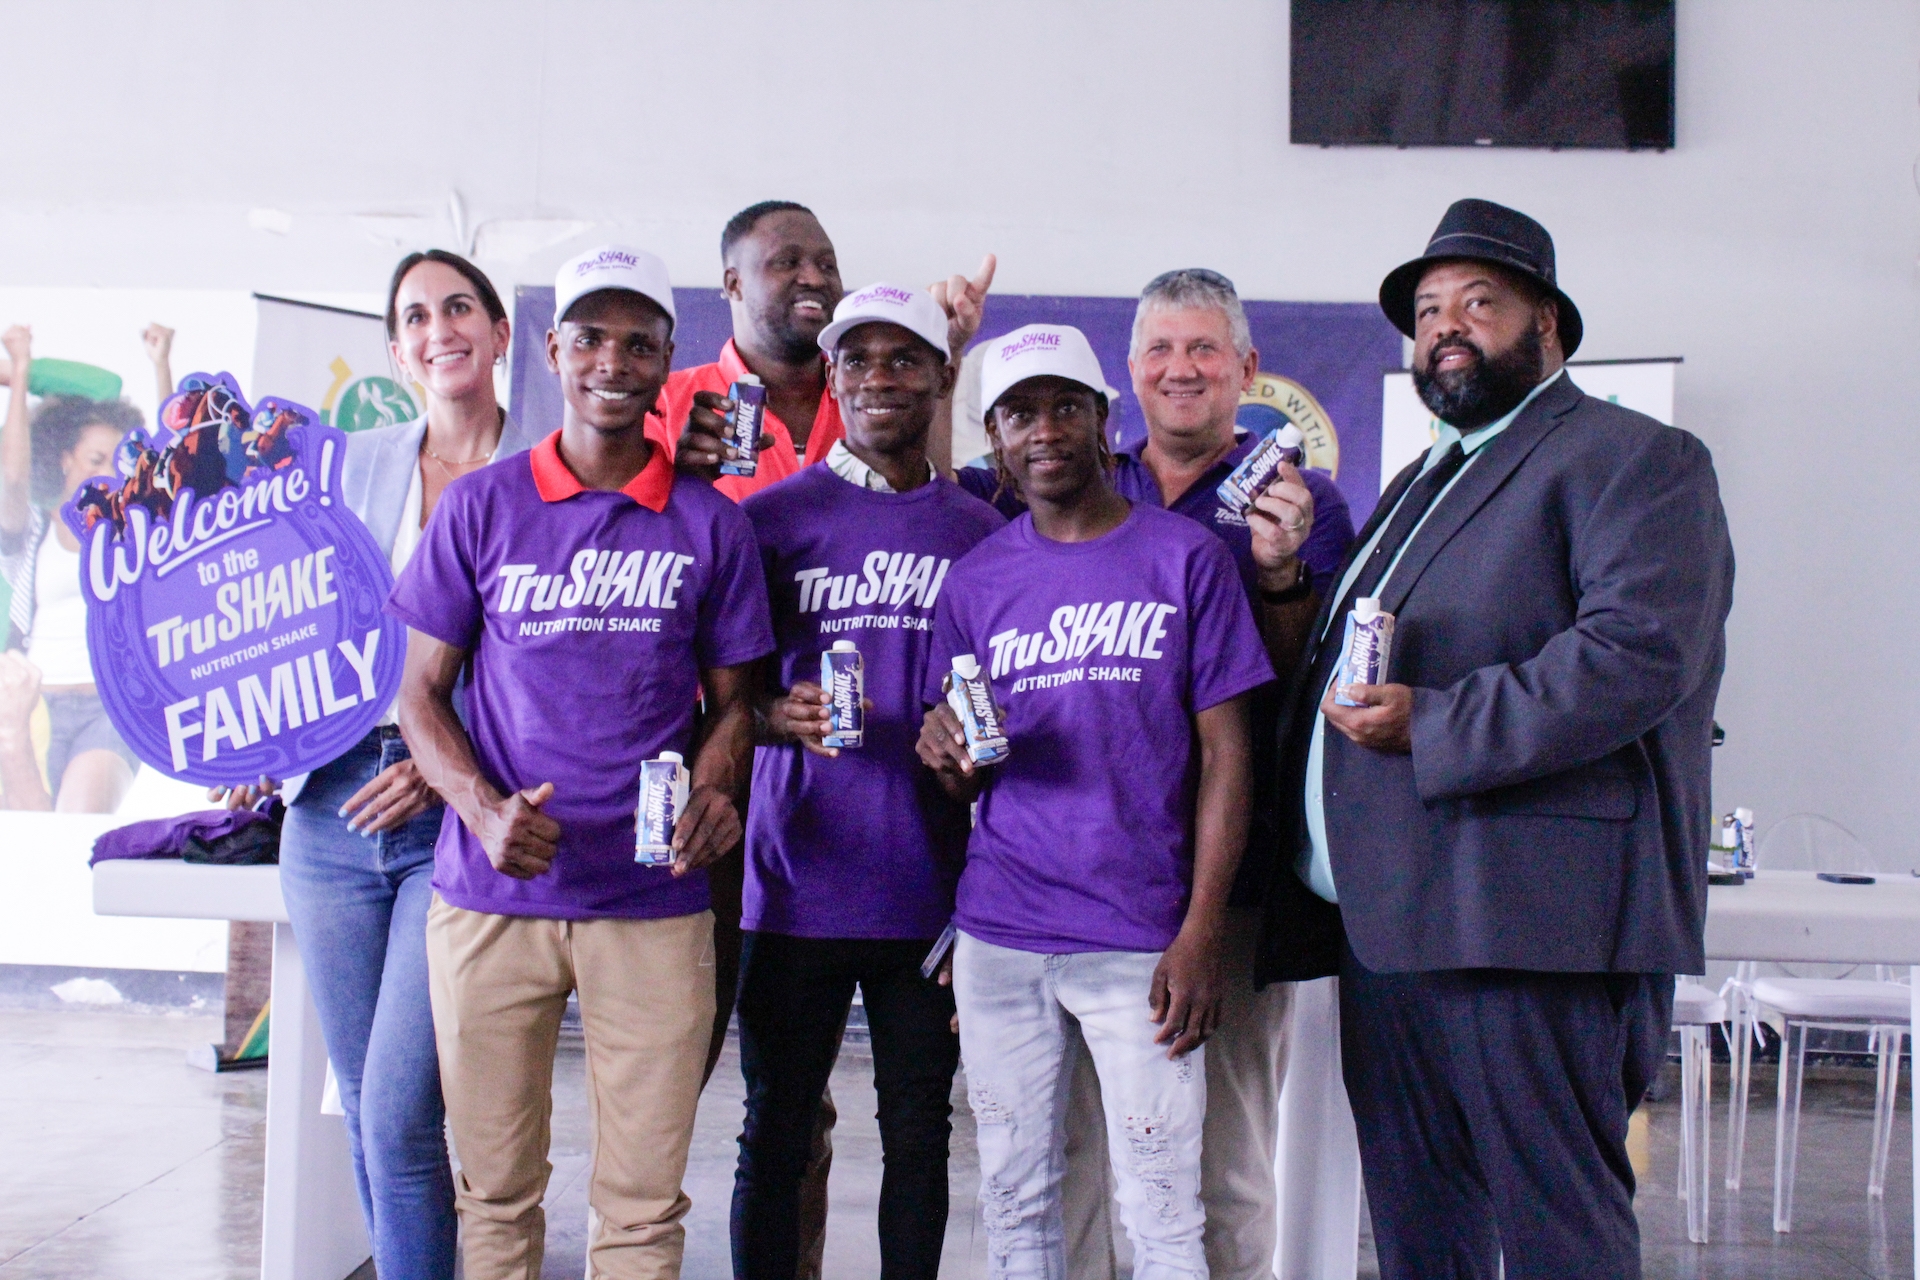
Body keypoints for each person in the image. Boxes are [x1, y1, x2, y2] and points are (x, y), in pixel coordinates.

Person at [1258, 199, 1734, 1279]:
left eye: (1480, 302)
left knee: (1556, 1224)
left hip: (1531, 926)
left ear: (1549, 328)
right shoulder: (1423, 481)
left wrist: (1438, 720)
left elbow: (1637, 656)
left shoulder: (1635, 458)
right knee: (1424, 1231)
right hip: (1396, 926)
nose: (1447, 328)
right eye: (1427, 312)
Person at [958, 273, 1354, 1279]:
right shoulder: (1067, 489)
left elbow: (1304, 680)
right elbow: (920, 472)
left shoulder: (1301, 499)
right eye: (1161, 350)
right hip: (1046, 906)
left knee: (1215, 1174)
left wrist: (1279, 571)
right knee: (1062, 1167)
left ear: (1245, 369)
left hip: (1226, 882)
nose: (1182, 368)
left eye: (1205, 348)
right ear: (1129, 380)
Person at [393, 244, 773, 1280]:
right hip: (488, 898)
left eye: (639, 342)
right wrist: (477, 807)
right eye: (592, 336)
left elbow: (738, 706)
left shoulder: (711, 522)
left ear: (666, 363)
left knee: (643, 1207)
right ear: (553, 350)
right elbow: (417, 694)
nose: (614, 358)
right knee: (495, 1194)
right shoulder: (483, 504)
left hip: (651, 905)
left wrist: (715, 785)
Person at [919, 324, 1275, 1278]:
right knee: (1015, 1199)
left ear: (1102, 422)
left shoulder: (1185, 558)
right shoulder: (978, 579)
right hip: (1002, 933)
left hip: (1141, 942)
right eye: (1019, 414)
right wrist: (944, 753)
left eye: (1065, 408)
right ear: (992, 438)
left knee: (1161, 1209)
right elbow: (966, 763)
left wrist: (1202, 930)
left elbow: (1228, 756)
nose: (1044, 432)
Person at [217, 250, 538, 1280]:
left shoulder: (545, 471)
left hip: (458, 814)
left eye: (458, 308)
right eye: (415, 317)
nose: (438, 328)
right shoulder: (352, 465)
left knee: (403, 1105)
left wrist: (444, 766)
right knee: (363, 1104)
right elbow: (294, 623)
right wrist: (262, 742)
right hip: (329, 810)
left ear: (497, 332)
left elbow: (555, 663)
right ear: (397, 349)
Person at [733, 283, 1003, 1279]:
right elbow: (718, 690)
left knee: (922, 1137)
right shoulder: (769, 520)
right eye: (858, 360)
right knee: (776, 1131)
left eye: (904, 360)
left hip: (928, 892)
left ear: (941, 377)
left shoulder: (982, 530)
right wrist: (768, 714)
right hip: (793, 881)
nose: (879, 378)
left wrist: (978, 754)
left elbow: (1009, 702)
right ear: (834, 378)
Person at [0, 324, 160, 812]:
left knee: (76, 828)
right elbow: (11, 479)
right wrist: (20, 372)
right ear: (67, 458)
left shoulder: (133, 531)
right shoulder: (30, 530)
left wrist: (161, 365)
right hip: (31, 707)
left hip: (110, 705)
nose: (105, 470)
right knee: (29, 839)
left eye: (116, 462)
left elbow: (176, 464)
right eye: (94, 458)